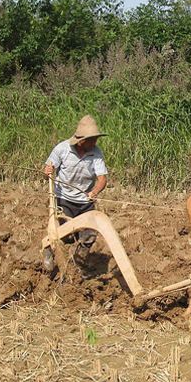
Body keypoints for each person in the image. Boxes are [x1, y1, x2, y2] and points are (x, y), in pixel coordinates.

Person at [41, 115, 109, 272]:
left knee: (90, 234)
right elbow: (48, 171)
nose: (95, 143)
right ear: (81, 140)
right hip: (64, 199)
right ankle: (49, 251)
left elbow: (102, 179)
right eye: (91, 140)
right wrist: (48, 171)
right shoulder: (62, 149)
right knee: (65, 235)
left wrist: (94, 191)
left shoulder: (96, 153)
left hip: (86, 202)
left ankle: (77, 263)